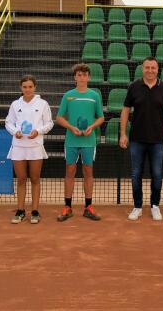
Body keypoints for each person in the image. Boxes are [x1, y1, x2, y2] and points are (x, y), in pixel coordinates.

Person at [119, 56, 163, 221]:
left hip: (158, 140)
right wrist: (123, 133)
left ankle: (155, 206)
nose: (150, 70)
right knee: (136, 174)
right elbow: (126, 110)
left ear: (158, 70)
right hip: (137, 139)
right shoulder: (134, 86)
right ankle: (137, 206)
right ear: (142, 69)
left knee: (157, 174)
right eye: (147, 67)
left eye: (153, 68)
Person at [55, 63, 104, 222]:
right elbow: (59, 117)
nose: (82, 77)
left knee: (88, 171)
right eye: (79, 74)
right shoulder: (68, 95)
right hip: (71, 140)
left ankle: (88, 207)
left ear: (88, 77)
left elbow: (101, 117)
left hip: (89, 140)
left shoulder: (94, 95)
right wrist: (71, 127)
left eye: (85, 74)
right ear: (75, 77)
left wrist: (92, 126)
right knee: (70, 170)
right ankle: (67, 207)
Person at [5, 75, 54, 224]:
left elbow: (49, 123)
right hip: (18, 147)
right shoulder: (15, 104)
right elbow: (8, 123)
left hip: (35, 147)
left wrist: (37, 131)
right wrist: (15, 132)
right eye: (25, 87)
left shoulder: (43, 104)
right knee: (20, 179)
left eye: (30, 87)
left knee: (34, 178)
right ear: (21, 88)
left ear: (35, 87)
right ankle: (20, 211)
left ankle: (35, 211)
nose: (27, 89)